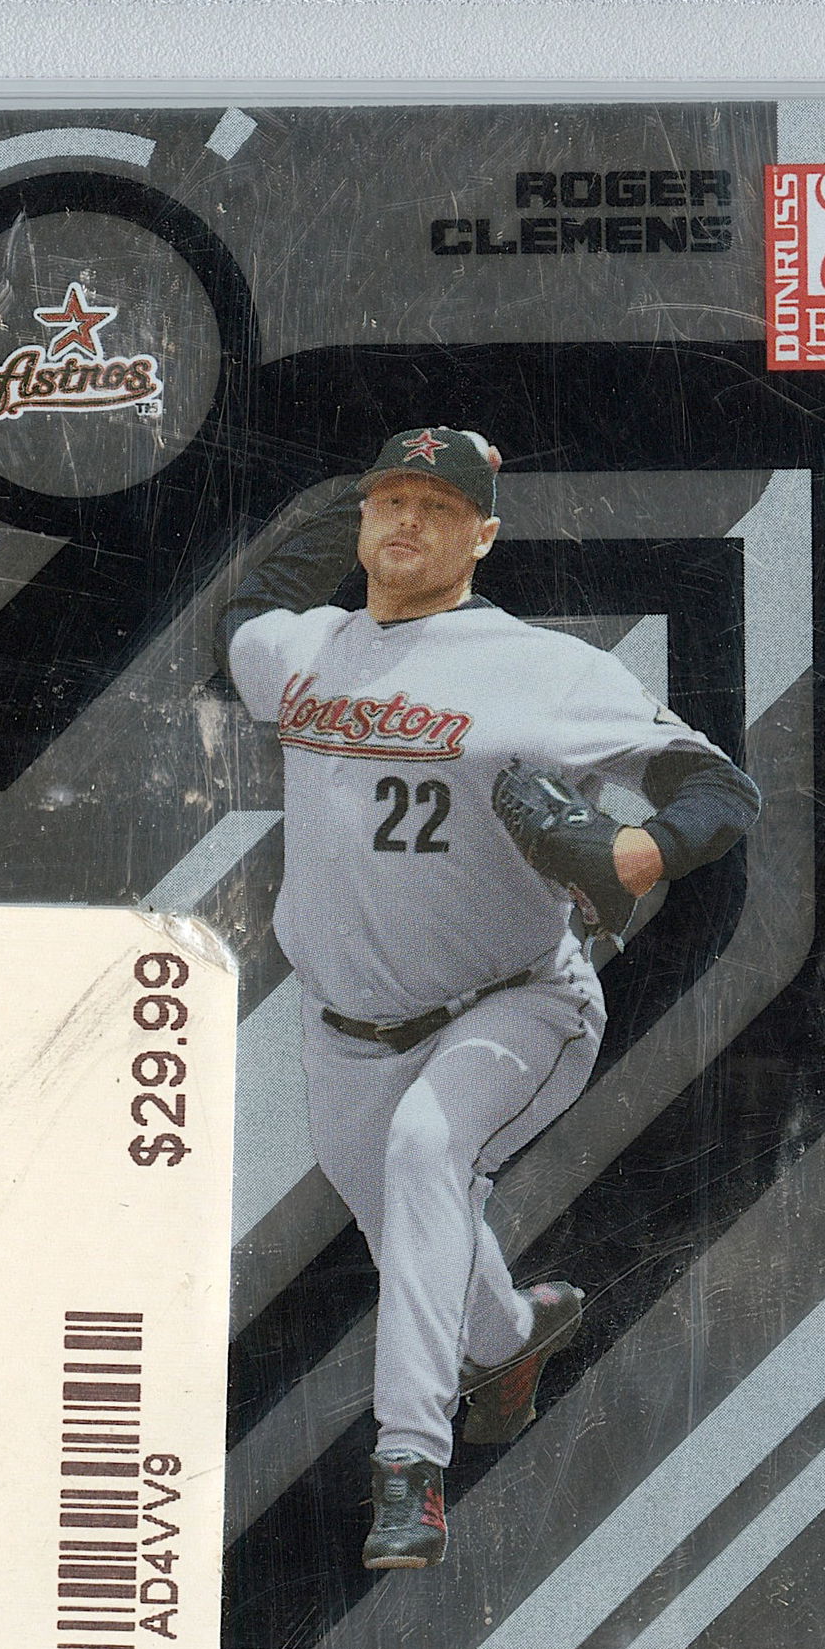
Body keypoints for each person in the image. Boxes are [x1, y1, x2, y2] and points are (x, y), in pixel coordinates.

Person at [215, 426, 761, 1569]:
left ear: (484, 536)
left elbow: (716, 786)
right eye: (390, 501)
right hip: (339, 1031)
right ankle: (516, 1334)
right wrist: (351, 488)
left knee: (427, 1155)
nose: (409, 520)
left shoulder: (543, 668)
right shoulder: (301, 651)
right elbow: (249, 607)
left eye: (440, 505)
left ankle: (408, 1464)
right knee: (424, 1238)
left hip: (512, 1004)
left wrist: (637, 852)